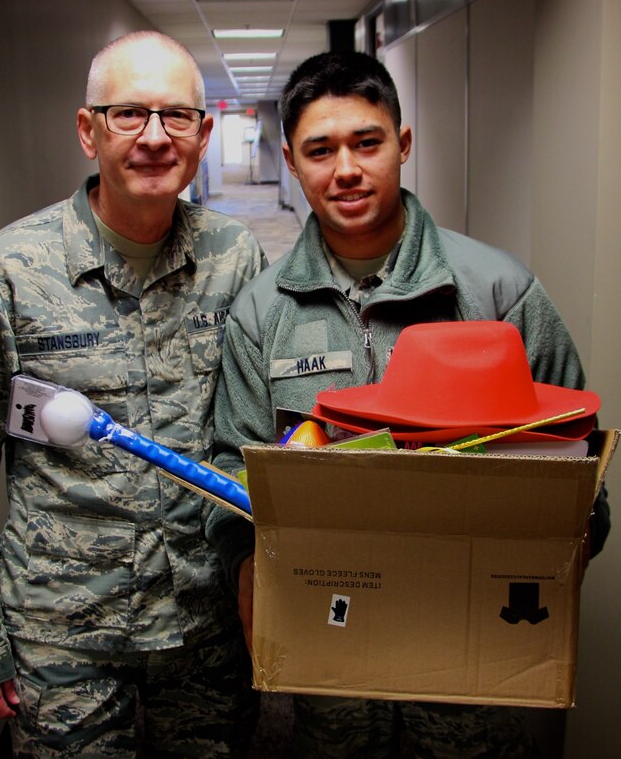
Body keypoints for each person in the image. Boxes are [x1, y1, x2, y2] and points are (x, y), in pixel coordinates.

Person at [205, 51, 610, 758]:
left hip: (471, 667)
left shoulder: (496, 291)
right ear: (293, 166)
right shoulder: (261, 316)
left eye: (368, 142)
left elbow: (579, 469)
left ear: (404, 144)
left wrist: (544, 565)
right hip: (333, 657)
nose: (347, 170)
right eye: (320, 150)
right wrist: (248, 572)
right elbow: (229, 472)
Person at [0, 31, 267, 757]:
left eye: (176, 117)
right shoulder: (13, 268)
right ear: (88, 131)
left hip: (204, 619)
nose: (155, 137)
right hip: (65, 625)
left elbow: (259, 432)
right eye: (129, 115)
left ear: (204, 132)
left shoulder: (236, 257)